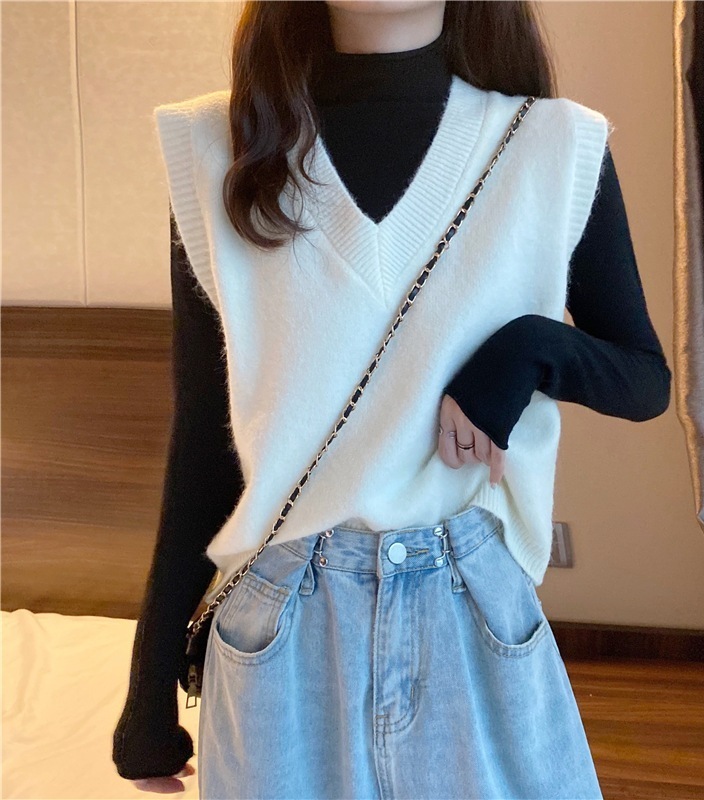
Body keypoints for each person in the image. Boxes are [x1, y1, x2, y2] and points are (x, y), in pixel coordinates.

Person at [113, 2, 671, 797]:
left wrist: (527, 348)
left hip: (470, 607)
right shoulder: (218, 149)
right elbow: (206, 442)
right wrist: (148, 686)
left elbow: (644, 379)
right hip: (278, 627)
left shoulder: (553, 145)